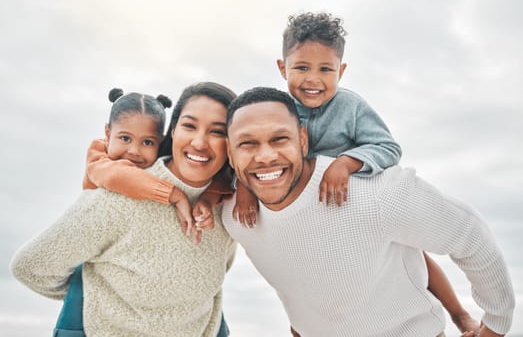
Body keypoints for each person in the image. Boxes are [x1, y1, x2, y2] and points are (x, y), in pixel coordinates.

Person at [222, 87, 515, 336]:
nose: (265, 156)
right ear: (230, 151)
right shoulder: (232, 216)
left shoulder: (377, 194)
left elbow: (470, 235)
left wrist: (495, 325)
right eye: (247, 144)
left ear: (302, 139)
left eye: (279, 139)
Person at [11, 82, 237, 337]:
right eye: (189, 125)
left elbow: (218, 271)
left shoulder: (226, 206)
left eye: (217, 132)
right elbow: (30, 266)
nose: (199, 142)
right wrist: (100, 297)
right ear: (173, 131)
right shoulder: (116, 200)